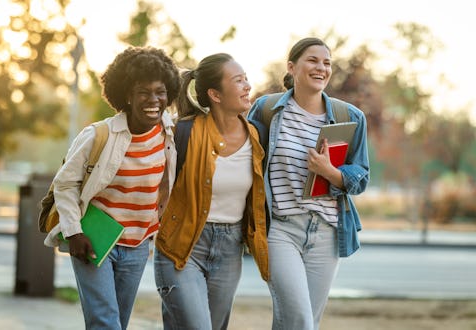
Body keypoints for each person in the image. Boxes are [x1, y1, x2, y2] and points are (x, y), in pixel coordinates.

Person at [44, 46, 180, 329]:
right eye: (143, 92)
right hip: (95, 240)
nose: (153, 100)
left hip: (138, 243)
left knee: (119, 320)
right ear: (127, 96)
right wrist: (75, 232)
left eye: (160, 91)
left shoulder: (169, 131)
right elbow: (66, 183)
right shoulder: (99, 134)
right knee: (105, 322)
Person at [247, 37, 370, 330]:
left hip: (327, 232)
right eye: (313, 60)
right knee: (300, 320)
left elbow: (361, 177)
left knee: (303, 322)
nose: (321, 68)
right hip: (282, 230)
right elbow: (246, 163)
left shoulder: (349, 117)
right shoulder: (266, 110)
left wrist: (329, 172)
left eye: (326, 62)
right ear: (292, 67)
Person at [154, 53, 269, 330]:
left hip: (230, 250)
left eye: (246, 79)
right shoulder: (182, 133)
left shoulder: (258, 135)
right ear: (215, 95)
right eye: (238, 80)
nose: (247, 86)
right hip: (182, 246)